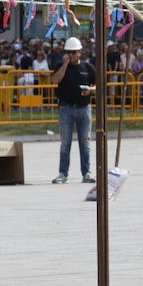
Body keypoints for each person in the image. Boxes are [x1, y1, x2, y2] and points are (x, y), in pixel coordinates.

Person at [51, 36, 95, 184]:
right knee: (65, 143)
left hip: (84, 109)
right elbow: (55, 80)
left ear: (80, 53)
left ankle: (86, 173)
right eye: (68, 52)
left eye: (74, 52)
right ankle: (63, 173)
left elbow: (99, 85)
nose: (71, 55)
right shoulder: (60, 65)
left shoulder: (87, 68)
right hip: (66, 109)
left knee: (85, 142)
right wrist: (64, 65)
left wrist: (90, 90)